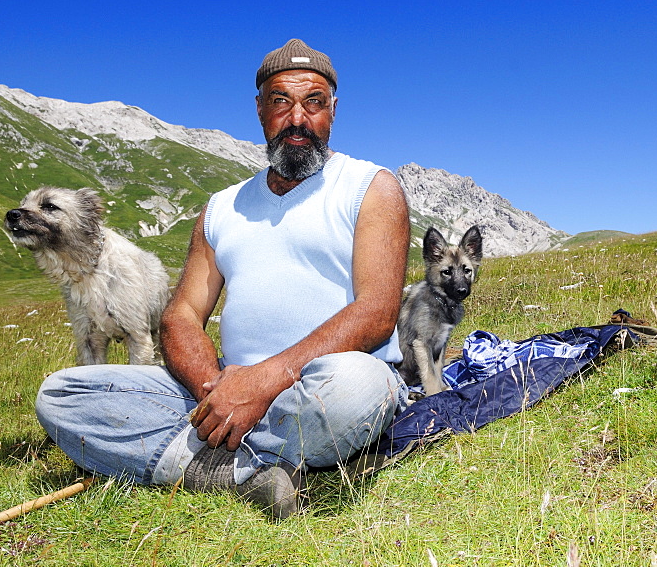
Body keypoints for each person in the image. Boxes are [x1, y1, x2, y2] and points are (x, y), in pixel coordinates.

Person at [36, 39, 411, 518]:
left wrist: (265, 381)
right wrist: (216, 389)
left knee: (357, 385)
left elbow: (376, 314)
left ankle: (209, 465)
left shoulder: (370, 187)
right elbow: (181, 316)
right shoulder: (221, 209)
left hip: (321, 380)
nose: (298, 118)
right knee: (63, 394)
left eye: (313, 102)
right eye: (281, 101)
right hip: (221, 388)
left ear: (333, 110)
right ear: (259, 109)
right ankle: (257, 466)